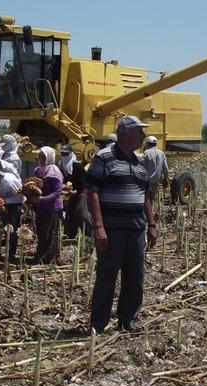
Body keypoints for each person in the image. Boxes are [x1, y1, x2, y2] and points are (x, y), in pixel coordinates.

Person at [87, 115, 158, 333]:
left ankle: (129, 320)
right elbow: (93, 191)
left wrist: (152, 224)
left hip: (136, 229)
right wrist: (99, 227)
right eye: (139, 132)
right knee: (107, 275)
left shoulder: (139, 162)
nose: (143, 136)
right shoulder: (104, 157)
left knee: (135, 276)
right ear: (126, 134)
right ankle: (98, 323)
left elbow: (145, 195)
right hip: (112, 229)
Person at [30, 146, 64, 264]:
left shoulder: (54, 172)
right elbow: (34, 186)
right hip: (40, 206)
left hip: (52, 207)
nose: (40, 159)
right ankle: (41, 256)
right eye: (39, 156)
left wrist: (42, 199)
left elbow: (57, 192)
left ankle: (45, 258)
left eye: (43, 156)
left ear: (49, 157)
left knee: (48, 233)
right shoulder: (37, 171)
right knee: (40, 232)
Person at [59, 144, 90, 238]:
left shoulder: (77, 166)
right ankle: (69, 236)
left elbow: (85, 183)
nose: (64, 156)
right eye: (62, 154)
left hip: (80, 193)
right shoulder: (61, 165)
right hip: (68, 194)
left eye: (66, 154)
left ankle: (88, 235)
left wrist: (76, 191)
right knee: (69, 215)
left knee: (80, 213)